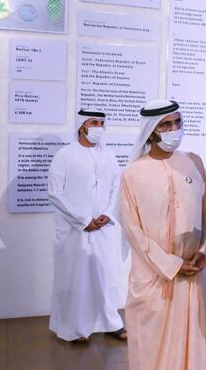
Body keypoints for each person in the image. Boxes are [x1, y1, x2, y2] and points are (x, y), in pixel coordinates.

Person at [119, 99, 206, 370]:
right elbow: (133, 231)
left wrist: (205, 250)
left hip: (193, 274)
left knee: (193, 344)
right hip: (154, 278)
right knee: (152, 348)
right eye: (166, 124)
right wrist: (172, 265)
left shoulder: (193, 162)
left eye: (177, 122)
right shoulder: (133, 174)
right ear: (151, 131)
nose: (174, 129)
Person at [47, 108, 127, 343]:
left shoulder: (109, 155)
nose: (99, 127)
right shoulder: (64, 155)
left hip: (104, 228)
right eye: (95, 122)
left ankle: (111, 323)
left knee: (106, 277)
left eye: (102, 122)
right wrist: (83, 220)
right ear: (83, 126)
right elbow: (55, 193)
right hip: (74, 231)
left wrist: (106, 214)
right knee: (75, 278)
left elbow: (116, 188)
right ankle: (76, 327)